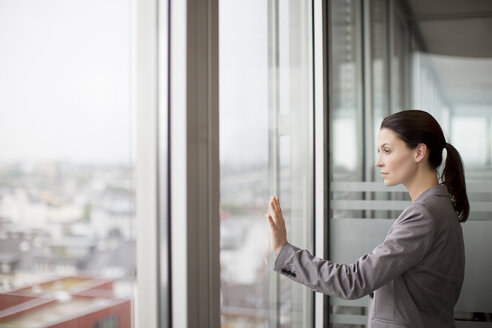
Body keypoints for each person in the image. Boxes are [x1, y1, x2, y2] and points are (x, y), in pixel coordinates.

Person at [266, 110, 469, 328]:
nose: (378, 162)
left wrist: (284, 251)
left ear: (419, 152)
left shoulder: (424, 215)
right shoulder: (439, 207)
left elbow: (354, 281)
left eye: (387, 151)